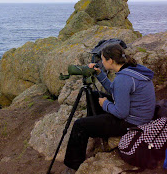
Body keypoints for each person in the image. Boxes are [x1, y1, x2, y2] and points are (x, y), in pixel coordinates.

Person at [62, 43, 156, 173]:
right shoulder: (132, 69)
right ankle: (95, 129)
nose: (101, 62)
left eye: (102, 59)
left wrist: (105, 104)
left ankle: (73, 166)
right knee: (94, 95)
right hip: (139, 113)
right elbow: (116, 92)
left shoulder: (123, 79)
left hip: (132, 122)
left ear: (110, 60)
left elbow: (121, 112)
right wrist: (100, 75)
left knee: (79, 125)